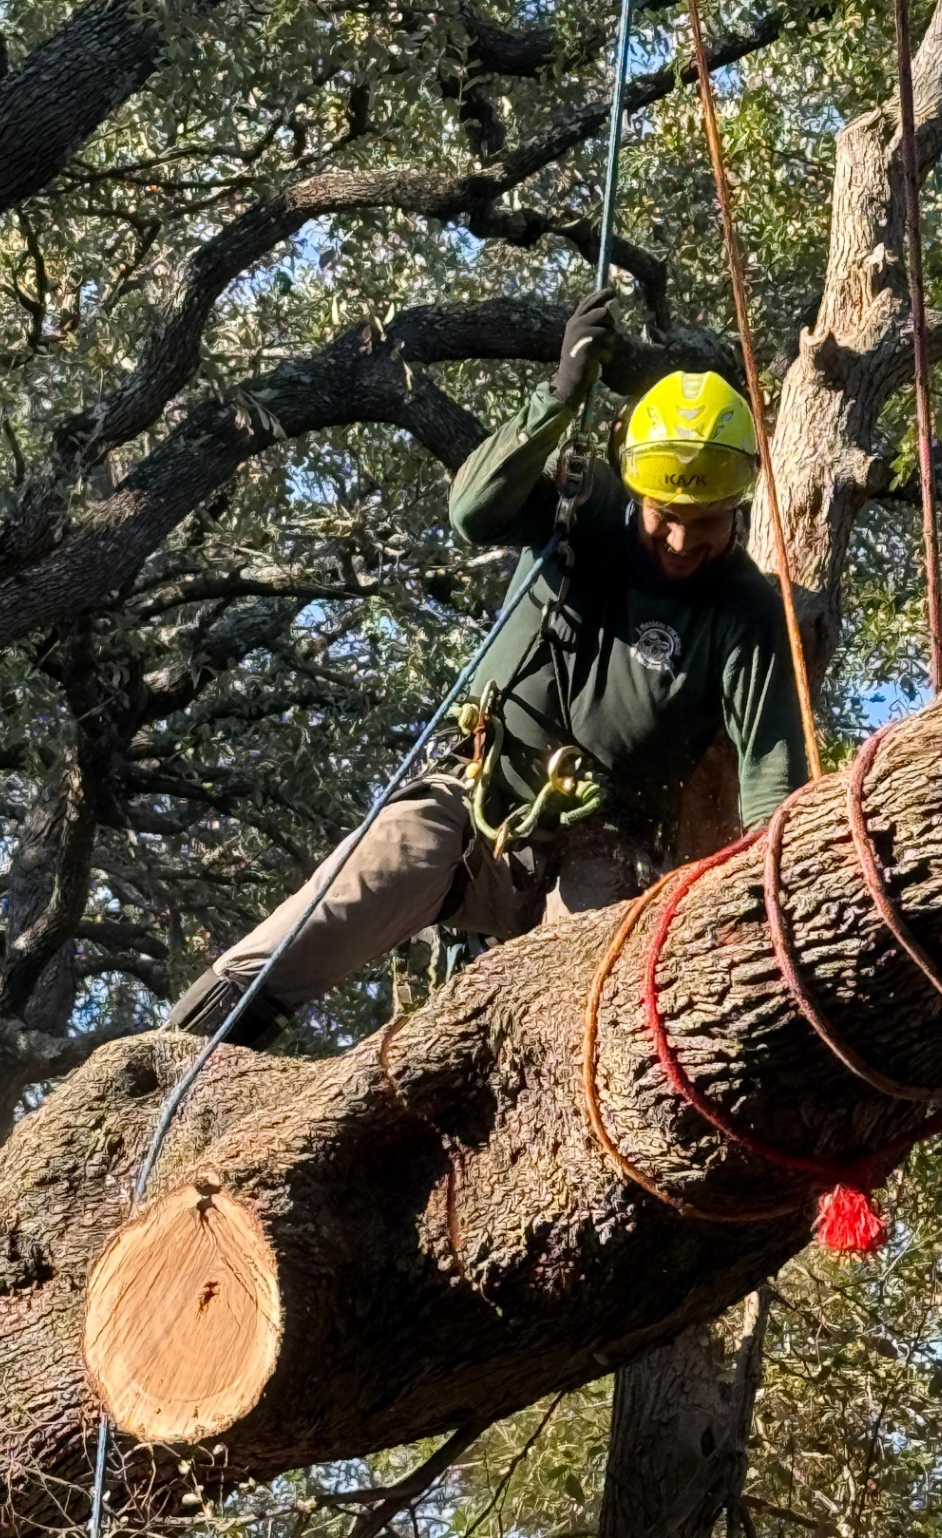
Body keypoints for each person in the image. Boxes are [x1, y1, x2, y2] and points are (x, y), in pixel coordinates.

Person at [167, 289, 808, 1049]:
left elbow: (775, 780)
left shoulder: (744, 611)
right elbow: (473, 510)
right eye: (664, 513)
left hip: (603, 848)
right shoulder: (583, 508)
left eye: (703, 522)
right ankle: (180, 1059)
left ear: (736, 506)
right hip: (476, 800)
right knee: (342, 897)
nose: (679, 539)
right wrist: (557, 397)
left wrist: (780, 911)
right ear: (635, 486)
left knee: (593, 1013)